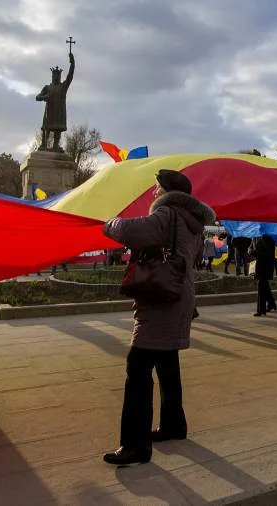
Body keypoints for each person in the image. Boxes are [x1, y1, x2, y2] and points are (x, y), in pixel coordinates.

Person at [101, 169, 214, 466]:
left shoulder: (168, 215)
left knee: (137, 366)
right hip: (180, 296)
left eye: (156, 188)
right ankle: (175, 426)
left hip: (162, 298)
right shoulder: (193, 224)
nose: (153, 194)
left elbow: (133, 231)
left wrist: (110, 224)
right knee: (166, 362)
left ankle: (135, 445)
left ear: (168, 192)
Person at [252, 236, 277, 316]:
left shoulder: (268, 237)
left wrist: (254, 252)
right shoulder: (256, 236)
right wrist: (250, 250)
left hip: (265, 267)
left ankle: (261, 310)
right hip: (259, 266)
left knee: (261, 287)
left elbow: (268, 254)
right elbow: (251, 246)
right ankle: (271, 304)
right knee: (265, 286)